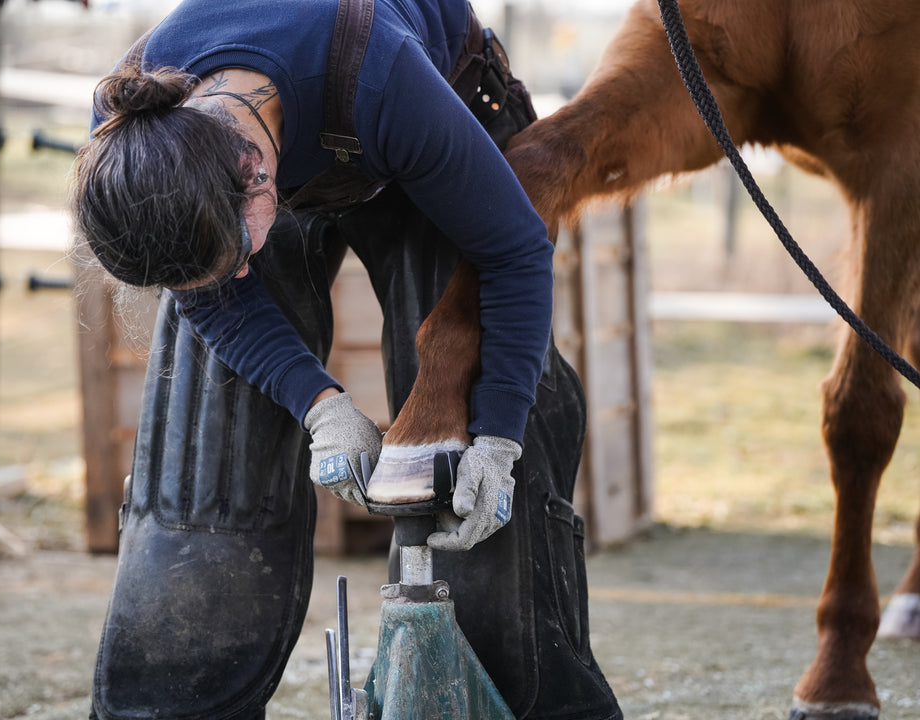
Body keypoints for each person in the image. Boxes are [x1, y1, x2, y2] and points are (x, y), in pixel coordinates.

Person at [70, 1, 622, 718]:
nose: (239, 278)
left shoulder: (384, 80)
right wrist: (320, 407)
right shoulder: (136, 137)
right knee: (209, 438)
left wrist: (499, 440)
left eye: (235, 258)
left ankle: (515, 701)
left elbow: (515, 253)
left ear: (257, 173)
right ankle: (171, 701)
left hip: (424, 99)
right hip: (268, 144)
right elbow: (210, 293)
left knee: (468, 446)